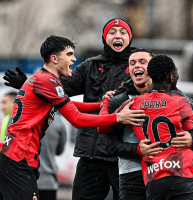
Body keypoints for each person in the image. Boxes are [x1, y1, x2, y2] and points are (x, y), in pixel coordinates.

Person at [3, 18, 137, 200]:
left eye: (123, 32)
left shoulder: (139, 63)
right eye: (69, 55)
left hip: (124, 155)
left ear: (130, 37)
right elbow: (75, 117)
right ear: (54, 58)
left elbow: (64, 102)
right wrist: (118, 117)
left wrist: (100, 105)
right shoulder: (61, 77)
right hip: (23, 156)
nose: (74, 59)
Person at [98, 49, 193, 200]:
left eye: (142, 62)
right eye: (132, 63)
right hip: (133, 178)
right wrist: (137, 149)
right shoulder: (119, 100)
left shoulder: (173, 96)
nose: (137, 65)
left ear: (151, 70)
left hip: (161, 176)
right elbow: (107, 143)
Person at [37, 114, 67, 200]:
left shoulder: (27, 118)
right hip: (49, 182)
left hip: (28, 181)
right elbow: (59, 151)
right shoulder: (59, 122)